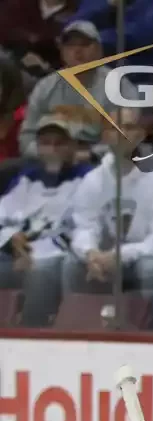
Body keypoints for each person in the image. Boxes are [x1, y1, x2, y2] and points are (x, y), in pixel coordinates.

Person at [62, 109, 153, 330]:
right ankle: (77, 332)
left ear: (142, 135)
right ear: (105, 136)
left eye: (129, 127)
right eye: (115, 128)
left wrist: (116, 256)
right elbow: (84, 225)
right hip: (119, 255)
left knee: (149, 267)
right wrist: (91, 254)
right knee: (71, 264)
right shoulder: (94, 179)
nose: (122, 133)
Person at [0, 115, 90, 325]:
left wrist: (32, 252)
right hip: (14, 256)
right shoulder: (26, 178)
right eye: (46, 144)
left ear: (73, 146)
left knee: (40, 271)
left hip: (56, 257)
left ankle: (31, 338)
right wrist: (11, 240)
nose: (52, 150)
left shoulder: (88, 178)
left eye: (59, 143)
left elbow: (82, 227)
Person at [18, 21, 113, 163]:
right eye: (70, 45)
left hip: (95, 162)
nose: (77, 51)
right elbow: (27, 136)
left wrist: (89, 155)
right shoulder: (45, 86)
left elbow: (125, 139)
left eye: (85, 44)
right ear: (61, 51)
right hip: (47, 158)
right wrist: (43, 154)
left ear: (99, 50)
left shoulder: (118, 87)